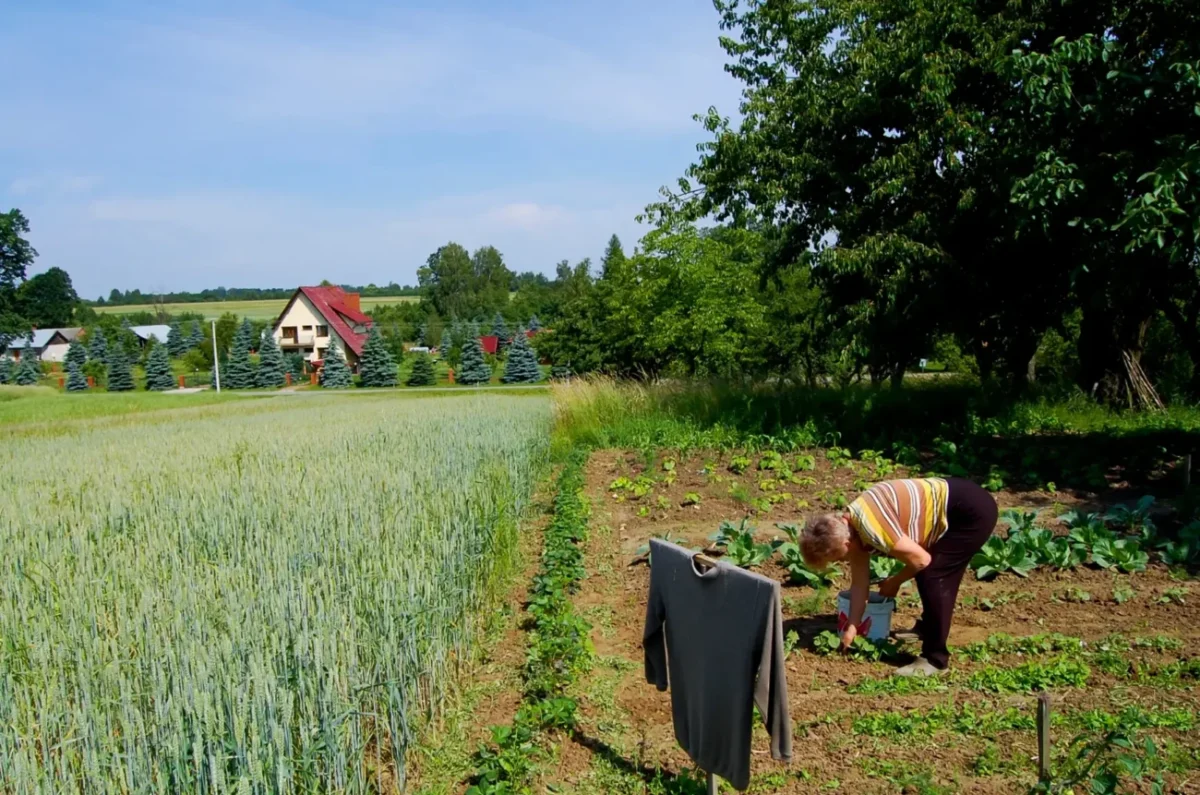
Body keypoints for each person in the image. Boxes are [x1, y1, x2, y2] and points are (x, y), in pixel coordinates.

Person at [800, 477, 997, 677]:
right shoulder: (850, 529)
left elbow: (921, 561)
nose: (842, 562)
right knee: (930, 574)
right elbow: (860, 585)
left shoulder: (872, 527)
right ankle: (928, 629)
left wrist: (895, 582)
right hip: (956, 503)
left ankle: (935, 660)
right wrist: (852, 627)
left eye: (839, 558)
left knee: (933, 576)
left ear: (846, 545)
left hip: (969, 512)